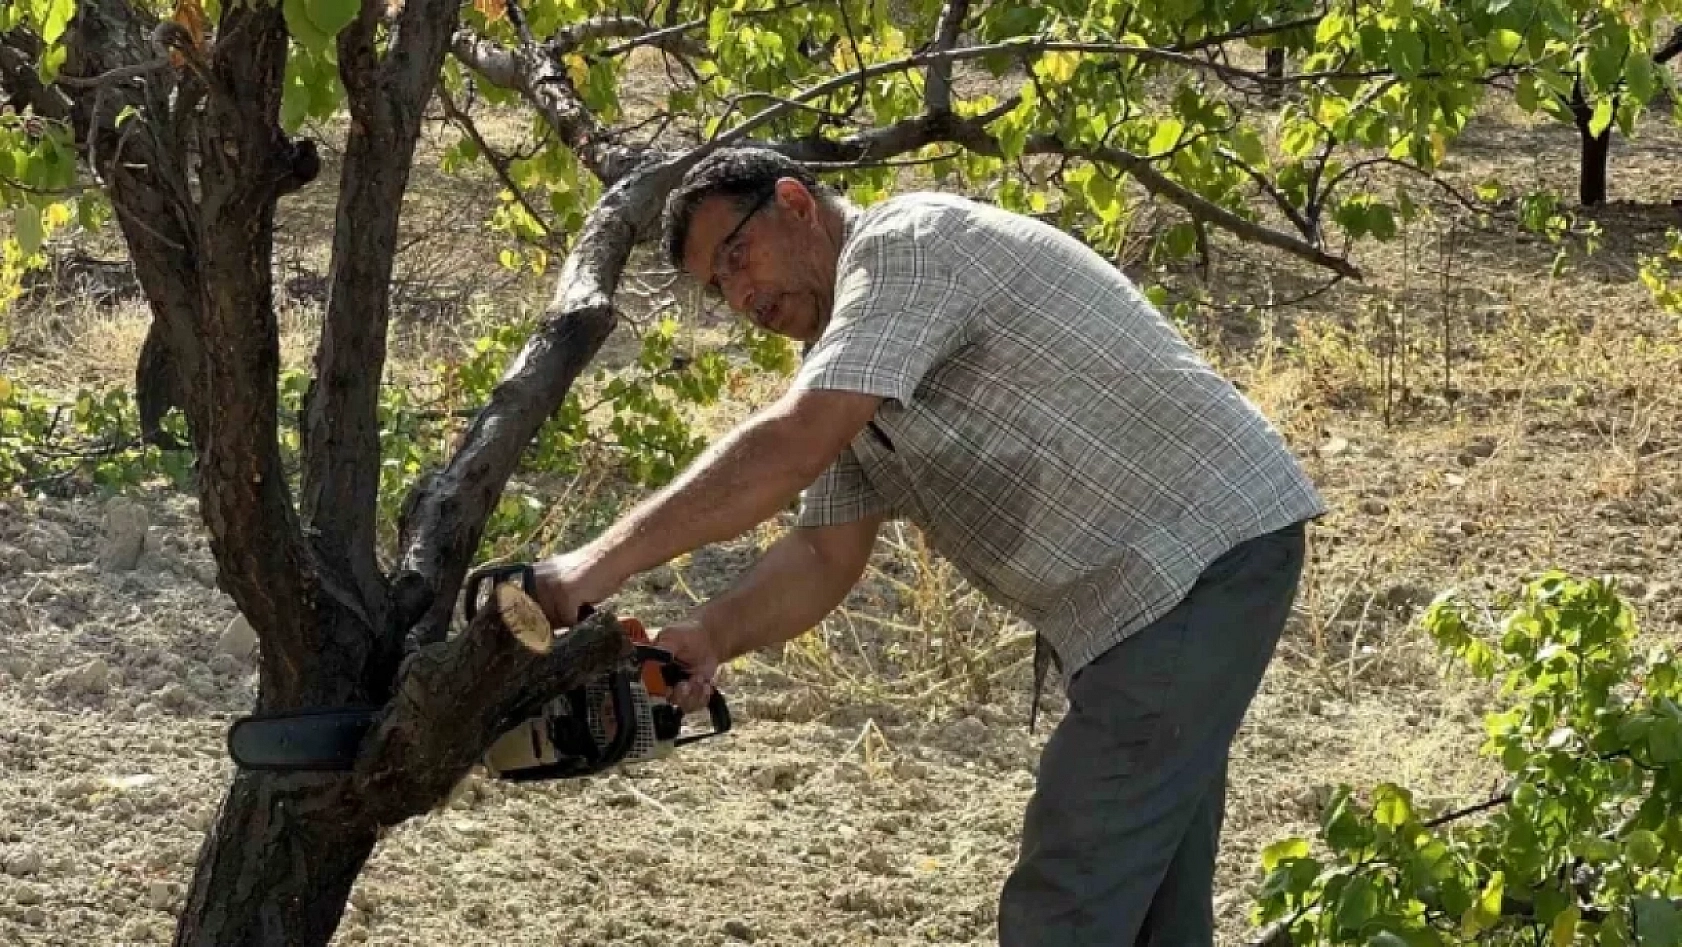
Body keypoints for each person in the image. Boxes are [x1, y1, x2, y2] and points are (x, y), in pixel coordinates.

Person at [529, 146, 1326, 945]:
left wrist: (588, 569)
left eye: (737, 255)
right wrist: (710, 634)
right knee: (1152, 912)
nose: (741, 295)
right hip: (1159, 588)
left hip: (1192, 557)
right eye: (718, 286)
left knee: (1068, 903)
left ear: (797, 204)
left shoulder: (906, 246)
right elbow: (821, 556)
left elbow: (791, 443)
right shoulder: (851, 363)